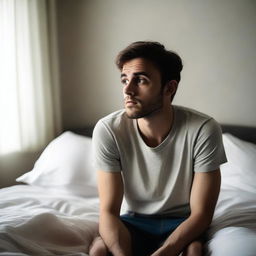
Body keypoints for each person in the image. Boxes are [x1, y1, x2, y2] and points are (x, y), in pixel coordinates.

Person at [89, 41, 226, 256]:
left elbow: (202, 214)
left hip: (183, 222)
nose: (127, 90)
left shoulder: (203, 129)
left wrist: (167, 251)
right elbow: (108, 211)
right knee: (98, 250)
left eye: (141, 80)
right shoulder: (108, 129)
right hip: (134, 221)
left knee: (194, 250)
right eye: (124, 80)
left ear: (169, 88)